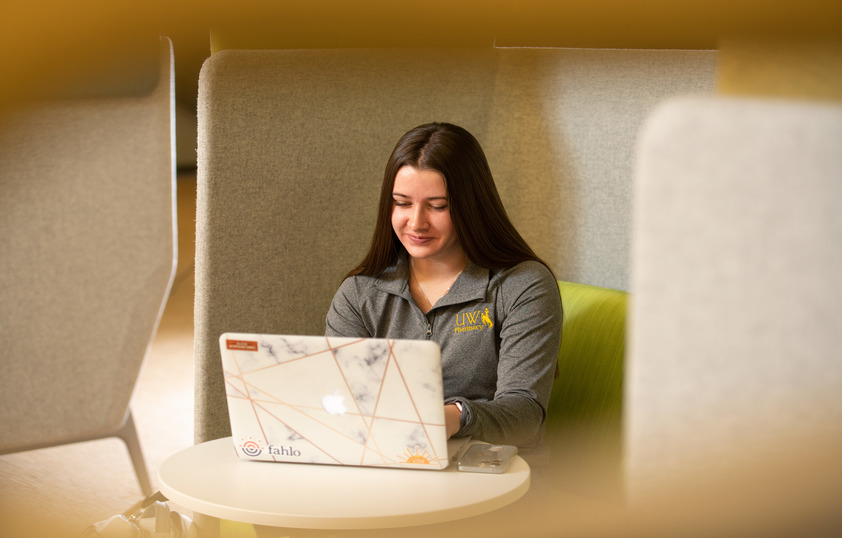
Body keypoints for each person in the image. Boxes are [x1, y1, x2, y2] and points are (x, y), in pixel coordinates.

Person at [325, 122, 562, 460]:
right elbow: (341, 402)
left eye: (437, 206)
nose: (416, 222)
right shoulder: (359, 294)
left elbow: (526, 416)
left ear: (471, 206)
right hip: (388, 469)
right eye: (402, 203)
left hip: (495, 480)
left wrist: (452, 417)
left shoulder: (522, 285)